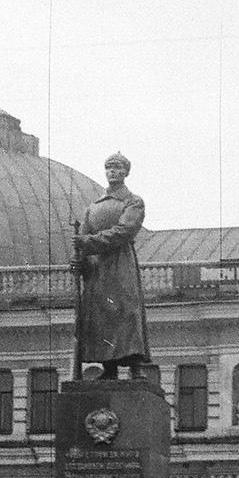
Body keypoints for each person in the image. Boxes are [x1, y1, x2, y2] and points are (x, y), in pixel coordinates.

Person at [73, 151, 151, 379]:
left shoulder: (133, 201)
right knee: (100, 316)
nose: (113, 172)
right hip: (98, 271)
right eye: (109, 168)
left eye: (118, 168)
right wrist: (79, 262)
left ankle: (135, 367)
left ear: (126, 172)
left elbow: (124, 231)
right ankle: (109, 368)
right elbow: (83, 243)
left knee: (126, 312)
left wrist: (88, 242)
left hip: (120, 265)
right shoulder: (93, 207)